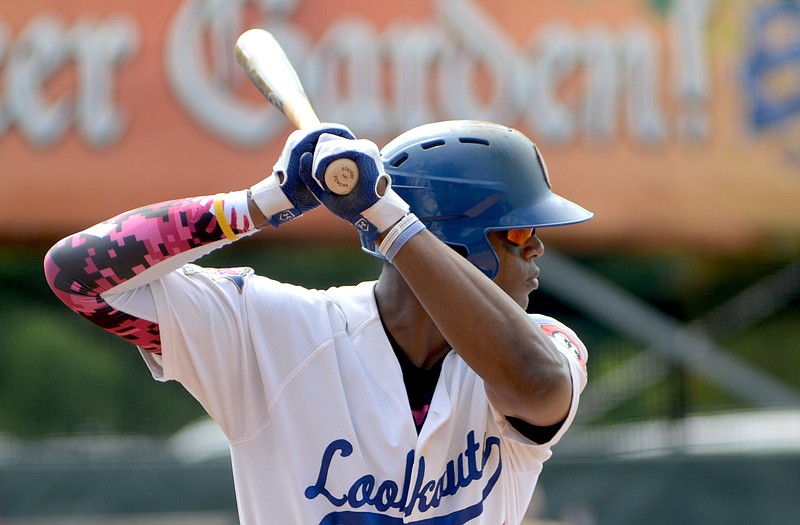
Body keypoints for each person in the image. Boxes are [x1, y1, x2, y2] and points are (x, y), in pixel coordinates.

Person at [44, 120, 592, 524]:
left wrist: (387, 219)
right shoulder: (271, 330)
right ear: (460, 242)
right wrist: (261, 203)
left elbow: (535, 383)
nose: (538, 248)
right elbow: (77, 273)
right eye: (519, 233)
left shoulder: (548, 344)